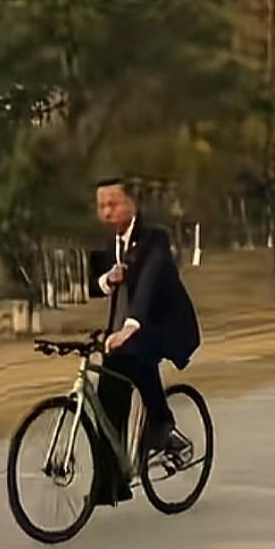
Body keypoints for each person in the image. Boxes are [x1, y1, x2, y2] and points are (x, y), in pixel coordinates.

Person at [88, 178, 202, 475]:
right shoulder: (108, 243)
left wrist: (130, 326)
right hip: (127, 333)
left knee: (135, 353)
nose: (107, 212)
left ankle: (163, 425)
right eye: (101, 206)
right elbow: (92, 285)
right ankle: (110, 483)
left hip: (164, 326)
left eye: (113, 204)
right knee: (108, 394)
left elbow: (149, 283)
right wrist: (107, 279)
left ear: (132, 203)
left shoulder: (155, 238)